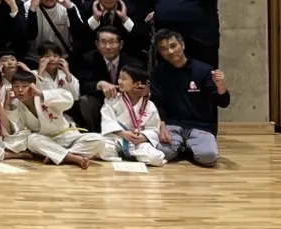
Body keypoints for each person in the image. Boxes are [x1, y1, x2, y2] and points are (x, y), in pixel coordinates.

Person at [151, 30, 230, 167]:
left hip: (200, 126)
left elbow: (223, 102)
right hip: (172, 125)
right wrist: (162, 127)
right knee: (162, 153)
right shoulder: (159, 72)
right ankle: (184, 147)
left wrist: (220, 86)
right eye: (164, 49)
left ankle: (186, 148)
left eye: (173, 46)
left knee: (208, 157)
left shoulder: (204, 70)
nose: (170, 51)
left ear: (182, 45)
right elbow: (158, 103)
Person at [7, 70, 103, 169]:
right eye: (16, 86)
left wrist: (41, 94)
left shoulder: (44, 97)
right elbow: (17, 130)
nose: (20, 90)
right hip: (45, 141)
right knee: (32, 139)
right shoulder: (16, 105)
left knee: (98, 140)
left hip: (66, 136)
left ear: (33, 86)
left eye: (24, 86)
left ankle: (58, 156)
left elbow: (69, 100)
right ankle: (70, 157)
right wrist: (7, 105)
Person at [74, 25, 139, 133]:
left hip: (124, 101)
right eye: (103, 42)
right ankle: (94, 133)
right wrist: (99, 84)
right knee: (86, 101)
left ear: (121, 45)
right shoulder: (88, 59)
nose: (108, 47)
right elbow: (83, 85)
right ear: (97, 45)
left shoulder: (132, 63)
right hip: (100, 100)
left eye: (112, 42)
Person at [100, 64, 166, 166]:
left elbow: (153, 128)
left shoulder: (149, 105)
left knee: (156, 158)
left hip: (138, 142)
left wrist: (143, 137)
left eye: (124, 79)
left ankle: (132, 154)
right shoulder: (113, 99)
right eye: (119, 78)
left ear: (137, 84)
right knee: (100, 146)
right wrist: (123, 133)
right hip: (117, 138)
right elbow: (107, 120)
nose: (119, 81)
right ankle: (126, 154)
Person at [25, 0, 89, 61]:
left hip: (63, 57)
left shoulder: (68, 5)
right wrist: (32, 10)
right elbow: (30, 35)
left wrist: (70, 8)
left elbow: (79, 34)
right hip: (35, 58)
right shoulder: (28, 5)